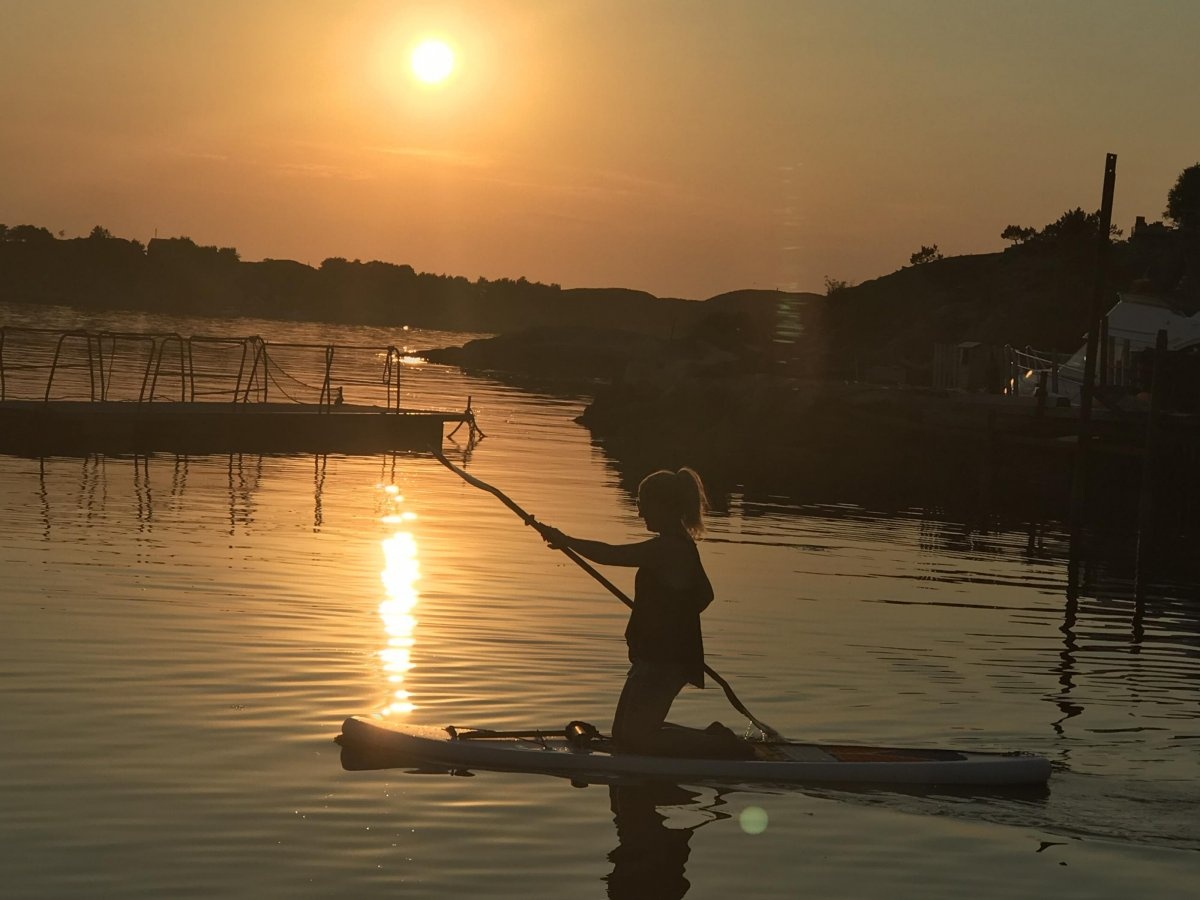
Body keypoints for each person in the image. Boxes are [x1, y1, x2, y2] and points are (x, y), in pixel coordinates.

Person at [535, 467, 749, 759]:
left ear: (665, 507)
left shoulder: (669, 549)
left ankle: (721, 745)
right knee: (625, 735)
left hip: (666, 659)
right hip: (653, 654)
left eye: (643, 506)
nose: (640, 514)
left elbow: (612, 554)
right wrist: (664, 611)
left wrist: (566, 540)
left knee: (637, 738)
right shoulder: (679, 547)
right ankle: (711, 737)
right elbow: (704, 595)